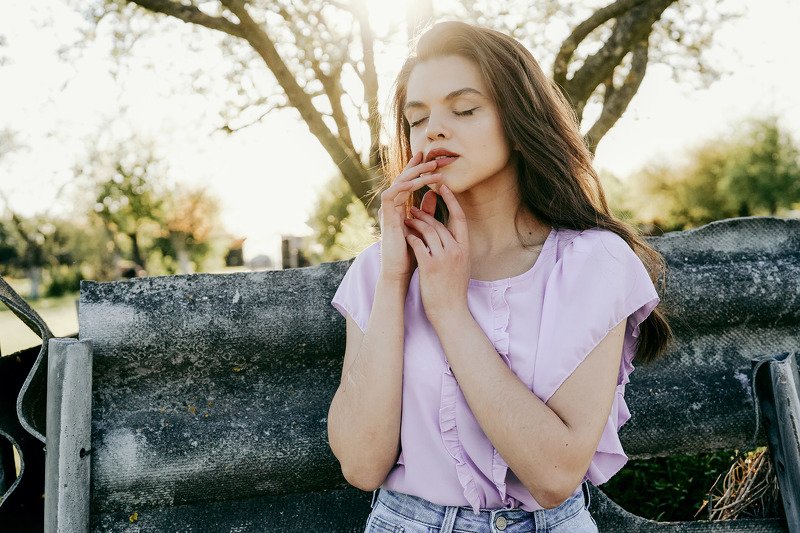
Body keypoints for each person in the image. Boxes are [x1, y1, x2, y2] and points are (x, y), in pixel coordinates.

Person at [327, 20, 673, 533]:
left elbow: (554, 476)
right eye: (417, 119)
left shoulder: (593, 264)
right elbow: (361, 465)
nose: (434, 130)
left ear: (519, 117)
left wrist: (449, 311)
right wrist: (396, 277)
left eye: (464, 109)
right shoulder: (380, 269)